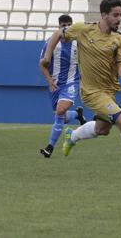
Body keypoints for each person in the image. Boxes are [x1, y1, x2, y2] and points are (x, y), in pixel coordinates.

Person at [40, 0, 121, 174]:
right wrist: (47, 57)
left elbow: (120, 63)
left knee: (103, 129)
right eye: (115, 15)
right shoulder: (83, 30)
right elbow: (58, 34)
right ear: (104, 15)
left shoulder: (119, 39)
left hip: (108, 92)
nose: (119, 19)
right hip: (91, 92)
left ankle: (72, 135)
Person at [39, 14, 87, 158]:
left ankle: (50, 147)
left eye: (69, 25)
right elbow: (42, 64)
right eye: (63, 25)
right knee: (61, 116)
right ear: (59, 27)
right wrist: (49, 80)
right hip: (55, 84)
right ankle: (77, 114)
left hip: (72, 82)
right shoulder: (51, 43)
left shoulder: (78, 43)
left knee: (60, 111)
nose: (66, 28)